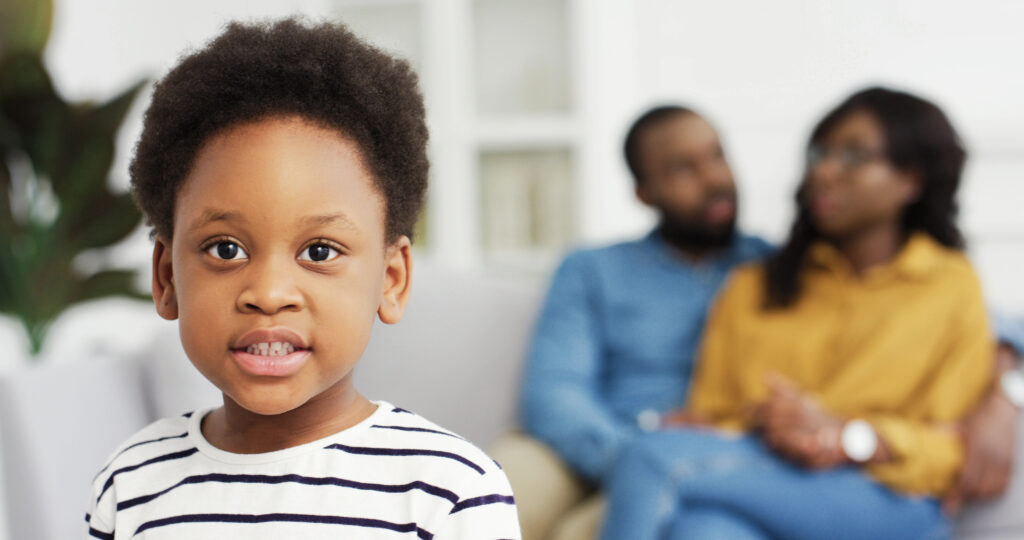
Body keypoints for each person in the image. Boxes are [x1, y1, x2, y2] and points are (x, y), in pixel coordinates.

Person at [499, 102, 1023, 539]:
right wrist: (688, 435)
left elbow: (989, 337)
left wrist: (1007, 389)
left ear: (910, 179)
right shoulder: (760, 280)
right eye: (683, 168)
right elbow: (557, 397)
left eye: (717, 156)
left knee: (647, 474)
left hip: (866, 486)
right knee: (702, 529)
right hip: (659, 452)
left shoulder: (942, 283)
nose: (712, 178)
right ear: (644, 191)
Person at [85, 19, 519, 539]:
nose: (268, 294)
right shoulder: (131, 483)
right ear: (166, 276)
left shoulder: (448, 492)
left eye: (319, 251)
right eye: (226, 249)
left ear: (391, 279)